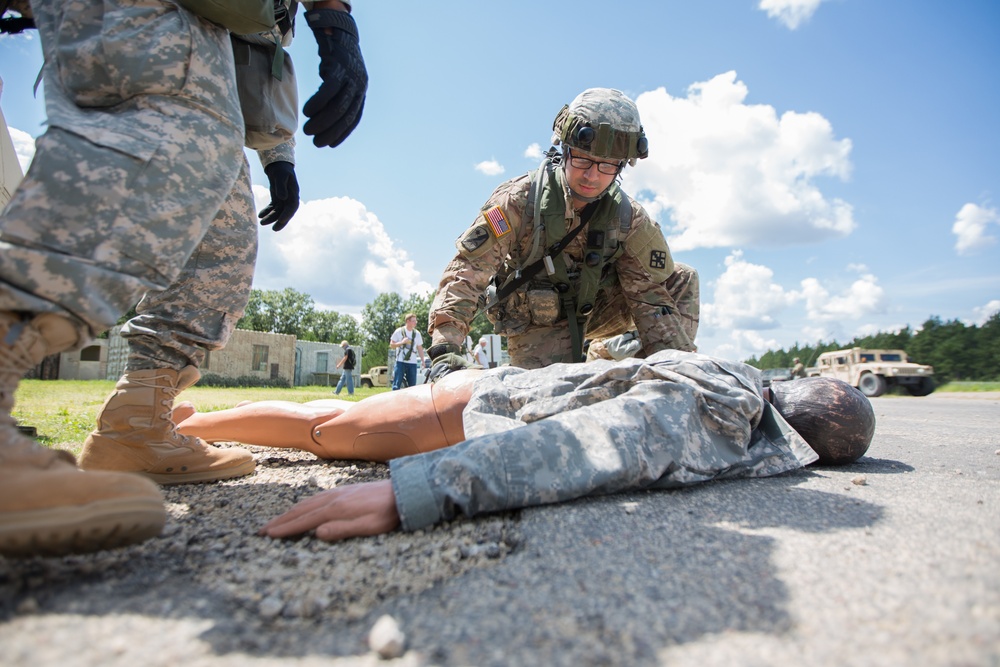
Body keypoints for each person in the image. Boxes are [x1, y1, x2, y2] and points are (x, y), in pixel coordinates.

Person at [0, 0, 366, 557]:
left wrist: (279, 159)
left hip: (208, 26)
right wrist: (335, 17)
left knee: (225, 238)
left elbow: (251, 50)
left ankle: (136, 426)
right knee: (166, 134)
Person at [167, 351, 876, 542]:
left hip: (500, 397)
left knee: (334, 424)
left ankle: (187, 421)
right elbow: (598, 441)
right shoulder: (727, 404)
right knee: (329, 434)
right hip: (480, 404)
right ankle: (183, 426)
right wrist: (415, 489)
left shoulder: (745, 404)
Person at [425, 88, 700, 374]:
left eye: (607, 165)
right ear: (565, 149)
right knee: (548, 398)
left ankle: (622, 367)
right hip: (539, 322)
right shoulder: (519, 201)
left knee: (680, 279)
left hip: (597, 310)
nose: (592, 175)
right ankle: (599, 358)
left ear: (622, 165)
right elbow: (468, 272)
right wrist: (446, 349)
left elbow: (650, 299)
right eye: (582, 159)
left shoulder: (628, 219)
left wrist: (674, 370)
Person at [389, 313, 425, 390]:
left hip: (412, 362)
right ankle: (394, 400)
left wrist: (422, 361)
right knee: (397, 384)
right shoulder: (399, 331)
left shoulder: (417, 334)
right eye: (413, 321)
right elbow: (392, 345)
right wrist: (402, 342)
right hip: (400, 361)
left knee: (412, 385)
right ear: (408, 321)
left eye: (416, 321)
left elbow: (420, 348)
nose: (415, 322)